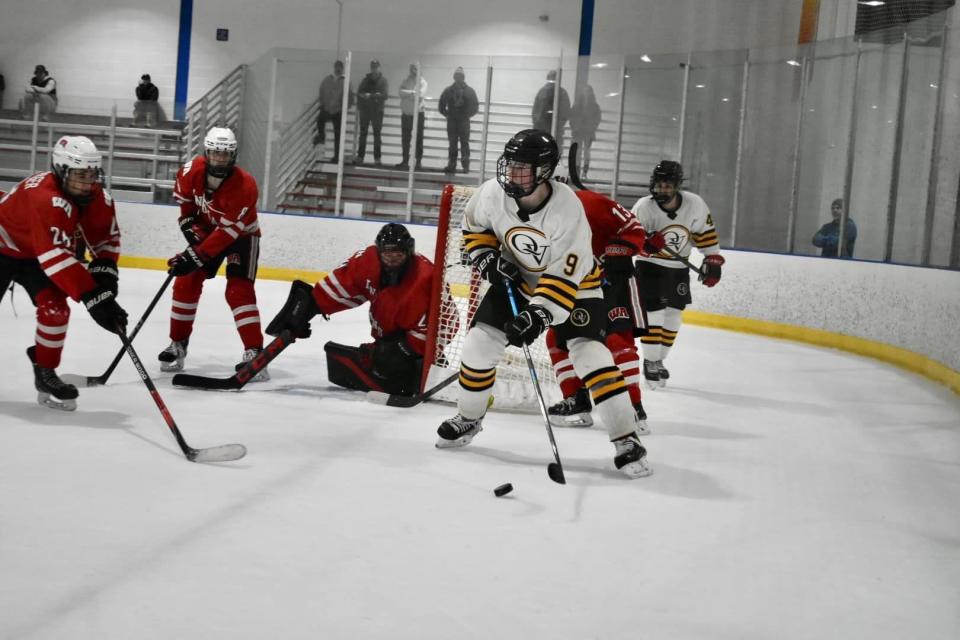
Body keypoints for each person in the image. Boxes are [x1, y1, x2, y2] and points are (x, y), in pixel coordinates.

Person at [434, 129, 651, 479]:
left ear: (544, 171)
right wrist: (488, 259)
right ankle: (469, 419)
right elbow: (475, 229)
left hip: (577, 286)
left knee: (590, 354)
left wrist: (538, 315)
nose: (511, 172)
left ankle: (626, 439)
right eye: (510, 163)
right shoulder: (491, 193)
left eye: (522, 167)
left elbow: (564, 276)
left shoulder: (568, 211)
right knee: (478, 345)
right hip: (518, 280)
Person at [0, 135, 128, 411]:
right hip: (3, 244)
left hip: (35, 253)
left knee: (56, 310)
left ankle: (45, 371)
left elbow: (107, 239)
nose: (87, 182)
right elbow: (56, 257)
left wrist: (105, 278)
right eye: (79, 174)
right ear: (61, 170)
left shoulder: (97, 198)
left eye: (92, 174)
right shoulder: (45, 197)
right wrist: (96, 299)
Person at [265, 223, 456, 396]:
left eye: (398, 255)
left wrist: (406, 349)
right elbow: (343, 283)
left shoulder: (424, 280)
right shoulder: (367, 262)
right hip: (387, 336)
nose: (392, 261)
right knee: (350, 360)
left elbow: (450, 322)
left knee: (393, 367)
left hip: (411, 342)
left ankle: (422, 367)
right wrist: (308, 308)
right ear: (379, 252)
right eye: (387, 255)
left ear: (408, 252)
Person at [546, 188, 664, 429]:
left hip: (614, 282)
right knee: (557, 338)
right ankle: (576, 399)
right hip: (575, 284)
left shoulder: (592, 202)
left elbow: (631, 227)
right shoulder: (531, 212)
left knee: (617, 341)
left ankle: (633, 407)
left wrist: (626, 248)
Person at [159, 127, 269, 381]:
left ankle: (255, 353)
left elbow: (229, 233)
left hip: (241, 237)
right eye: (215, 154)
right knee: (186, 281)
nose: (220, 159)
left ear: (234, 156)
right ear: (206, 153)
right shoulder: (189, 172)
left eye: (225, 155)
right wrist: (189, 227)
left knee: (238, 290)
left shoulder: (245, 185)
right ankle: (178, 344)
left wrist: (195, 255)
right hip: (209, 233)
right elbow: (186, 208)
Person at [631, 160, 724, 389]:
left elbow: (705, 234)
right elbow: (629, 238)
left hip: (678, 268)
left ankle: (659, 360)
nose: (661, 190)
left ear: (676, 186)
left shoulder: (695, 205)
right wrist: (645, 244)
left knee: (673, 316)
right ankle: (650, 360)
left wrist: (712, 260)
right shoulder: (644, 206)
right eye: (658, 185)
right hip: (649, 266)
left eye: (667, 186)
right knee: (654, 313)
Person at [438, 67, 479, 174]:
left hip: (463, 121)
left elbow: (475, 107)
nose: (458, 78)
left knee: (464, 144)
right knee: (453, 144)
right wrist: (447, 114)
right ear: (454, 77)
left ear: (463, 77)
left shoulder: (469, 91)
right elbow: (441, 105)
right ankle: (452, 165)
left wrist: (466, 115)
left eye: (460, 76)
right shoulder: (449, 90)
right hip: (453, 121)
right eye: (457, 76)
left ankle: (465, 166)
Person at [314, 60, 354, 162]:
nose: (338, 69)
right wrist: (323, 104)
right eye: (337, 67)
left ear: (342, 69)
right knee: (319, 120)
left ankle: (337, 156)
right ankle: (321, 136)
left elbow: (350, 97)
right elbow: (321, 92)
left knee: (338, 135)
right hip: (327, 109)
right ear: (334, 67)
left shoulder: (346, 81)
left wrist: (345, 108)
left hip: (338, 111)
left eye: (340, 67)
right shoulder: (327, 79)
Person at [354, 60, 388, 167]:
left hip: (377, 112)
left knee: (377, 135)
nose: (374, 68)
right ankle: (360, 157)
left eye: (376, 67)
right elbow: (359, 93)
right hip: (365, 111)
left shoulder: (383, 81)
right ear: (371, 67)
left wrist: (371, 96)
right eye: (373, 67)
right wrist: (363, 102)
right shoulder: (365, 80)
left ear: (379, 67)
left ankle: (377, 158)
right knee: (363, 134)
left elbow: (385, 95)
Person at [531, 70, 570, 157]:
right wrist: (560, 123)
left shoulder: (542, 92)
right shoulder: (562, 92)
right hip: (552, 127)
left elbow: (535, 110)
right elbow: (566, 111)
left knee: (543, 149)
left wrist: (536, 123)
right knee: (553, 149)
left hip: (543, 126)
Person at [396, 64, 427, 171]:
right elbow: (400, 92)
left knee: (419, 139)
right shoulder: (405, 81)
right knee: (405, 139)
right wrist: (413, 93)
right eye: (412, 69)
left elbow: (420, 95)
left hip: (418, 114)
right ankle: (405, 161)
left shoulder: (423, 82)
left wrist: (408, 93)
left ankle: (418, 162)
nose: (413, 71)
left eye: (415, 69)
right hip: (406, 114)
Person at [569, 85, 601, 178]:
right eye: (585, 91)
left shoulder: (578, 105)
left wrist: (575, 127)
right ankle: (580, 172)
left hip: (583, 132)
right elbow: (572, 117)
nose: (587, 93)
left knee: (584, 153)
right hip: (581, 132)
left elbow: (597, 119)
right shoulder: (594, 106)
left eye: (588, 91)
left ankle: (583, 172)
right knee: (580, 153)